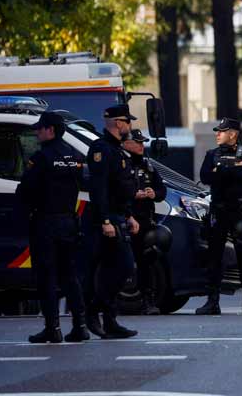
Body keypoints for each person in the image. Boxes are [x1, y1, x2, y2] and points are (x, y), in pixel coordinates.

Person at [16, 111, 90, 343]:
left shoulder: (41, 158)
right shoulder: (74, 156)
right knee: (70, 276)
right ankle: (81, 326)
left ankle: (52, 328)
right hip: (69, 222)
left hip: (46, 223)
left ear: (51, 130)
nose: (37, 132)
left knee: (46, 277)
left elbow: (25, 190)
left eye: (40, 128)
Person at [85, 104, 141, 338]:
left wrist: (128, 215)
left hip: (118, 216)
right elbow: (99, 190)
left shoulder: (116, 149)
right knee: (122, 267)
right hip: (105, 220)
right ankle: (93, 310)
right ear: (119, 123)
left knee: (115, 270)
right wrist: (105, 220)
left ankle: (110, 321)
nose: (130, 126)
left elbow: (119, 189)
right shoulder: (101, 149)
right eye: (128, 122)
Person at [196, 117, 242, 315]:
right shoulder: (211, 154)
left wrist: (221, 170)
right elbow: (206, 177)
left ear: (233, 134)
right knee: (214, 257)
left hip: (239, 213)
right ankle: (212, 302)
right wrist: (232, 168)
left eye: (222, 131)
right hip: (218, 212)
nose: (217, 134)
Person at [122, 129, 167, 315]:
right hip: (126, 220)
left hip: (145, 221)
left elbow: (161, 190)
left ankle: (148, 301)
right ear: (126, 144)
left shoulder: (148, 166)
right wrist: (133, 195)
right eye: (138, 142)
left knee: (147, 261)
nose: (142, 146)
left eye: (143, 142)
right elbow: (114, 191)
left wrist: (153, 194)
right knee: (122, 263)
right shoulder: (121, 164)